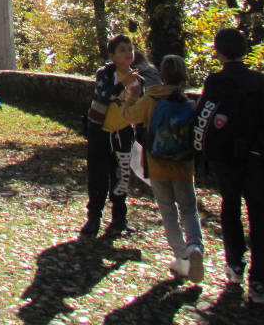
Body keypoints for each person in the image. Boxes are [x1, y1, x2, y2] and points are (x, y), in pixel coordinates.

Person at [194, 27, 264, 304]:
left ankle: (235, 264)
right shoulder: (258, 80)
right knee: (259, 216)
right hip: (254, 155)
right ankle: (260, 281)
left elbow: (203, 116)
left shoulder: (215, 80)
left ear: (218, 51)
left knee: (230, 208)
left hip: (226, 156)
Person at [122, 55, 205, 283]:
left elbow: (127, 116)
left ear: (161, 75)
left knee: (168, 211)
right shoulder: (188, 103)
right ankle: (195, 246)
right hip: (183, 166)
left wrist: (132, 95)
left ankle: (182, 258)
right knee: (189, 209)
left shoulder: (151, 100)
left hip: (157, 164)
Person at [81, 34, 137, 237]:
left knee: (122, 175)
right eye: (122, 50)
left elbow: (140, 105)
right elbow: (106, 95)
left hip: (123, 133)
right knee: (98, 176)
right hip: (100, 132)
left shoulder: (137, 78)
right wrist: (123, 84)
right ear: (112, 56)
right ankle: (94, 217)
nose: (127, 53)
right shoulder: (104, 73)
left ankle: (119, 218)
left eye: (130, 49)